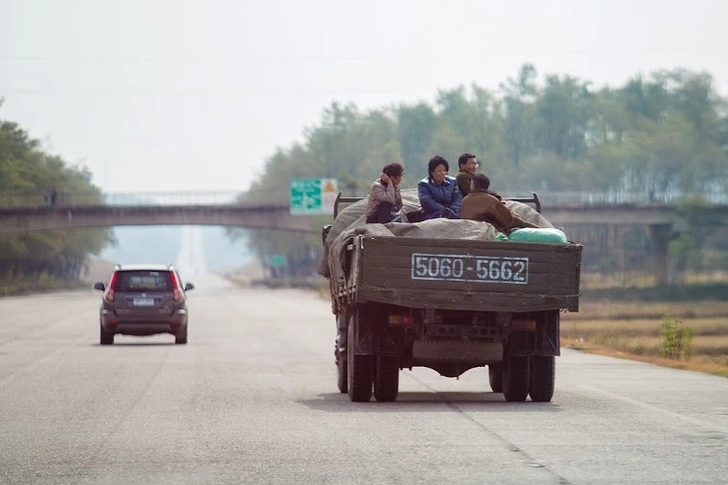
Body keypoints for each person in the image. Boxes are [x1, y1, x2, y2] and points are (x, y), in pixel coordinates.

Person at [460, 173, 541, 234]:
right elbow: (509, 221)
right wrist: (535, 228)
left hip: (468, 233)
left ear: (473, 185)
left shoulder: (464, 201)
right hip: (489, 235)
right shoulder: (491, 201)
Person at [417, 156, 462, 220]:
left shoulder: (452, 181)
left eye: (444, 170)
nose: (443, 173)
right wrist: (444, 211)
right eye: (439, 171)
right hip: (433, 213)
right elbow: (426, 201)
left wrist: (453, 210)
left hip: (453, 212)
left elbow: (457, 197)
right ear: (432, 172)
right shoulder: (424, 184)